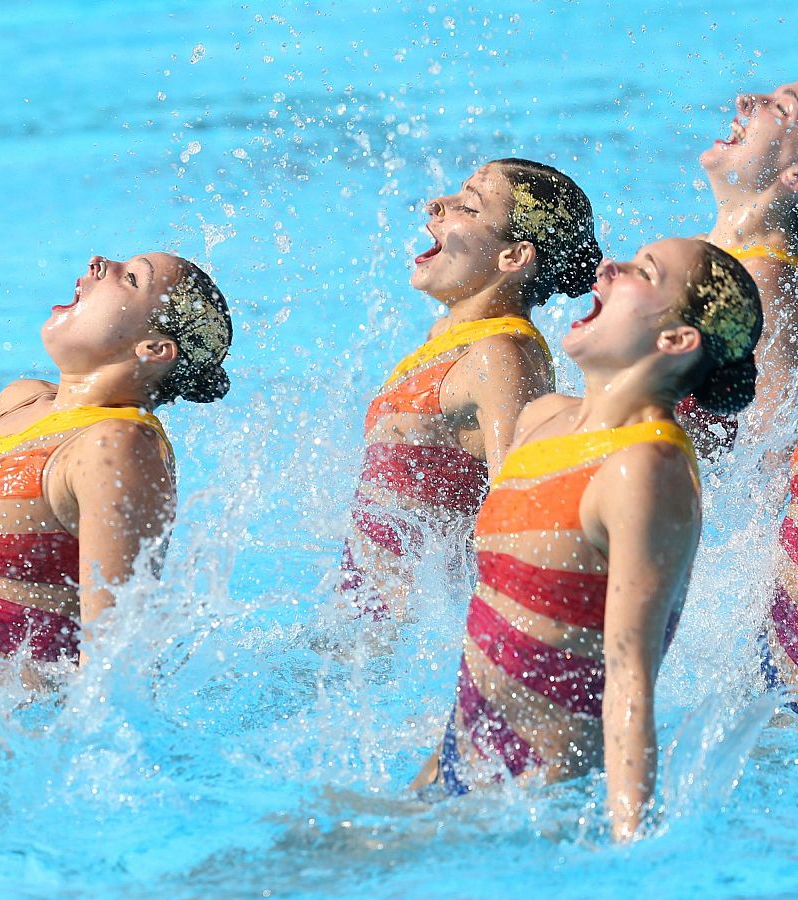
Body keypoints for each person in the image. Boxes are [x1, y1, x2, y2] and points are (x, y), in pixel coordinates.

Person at [412, 239, 762, 842]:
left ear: (677, 340)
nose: (607, 268)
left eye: (641, 273)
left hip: (536, 807)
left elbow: (631, 675)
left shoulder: (645, 466)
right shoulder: (540, 419)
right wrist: (427, 783)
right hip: (455, 774)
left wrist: (631, 849)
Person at [0, 253, 231, 680]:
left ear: (153, 349)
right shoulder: (20, 402)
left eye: (130, 278)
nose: (98, 262)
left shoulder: (117, 447)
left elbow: (116, 662)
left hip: (30, 732)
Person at [341, 159, 601, 618]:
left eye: (469, 206)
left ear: (514, 256)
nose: (436, 205)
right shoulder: (447, 340)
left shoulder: (501, 357)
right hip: (371, 632)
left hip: (413, 644)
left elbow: (517, 518)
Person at [694, 79, 798, 443]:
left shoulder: (763, 277)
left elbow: (775, 440)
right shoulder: (696, 253)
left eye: (782, 109)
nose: (747, 101)